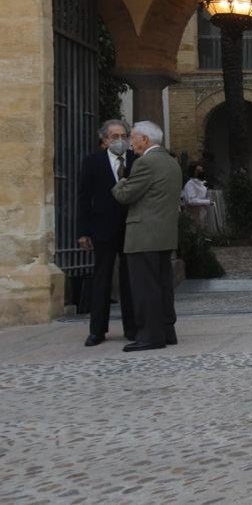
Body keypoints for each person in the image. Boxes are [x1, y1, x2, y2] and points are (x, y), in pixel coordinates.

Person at [111, 120, 181, 353]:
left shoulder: (145, 163)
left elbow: (126, 195)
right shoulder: (171, 162)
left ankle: (150, 335)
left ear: (145, 139)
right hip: (164, 234)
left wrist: (119, 182)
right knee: (162, 285)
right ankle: (166, 330)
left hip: (143, 235)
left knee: (145, 288)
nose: (130, 144)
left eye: (133, 138)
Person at [77, 119, 137, 346]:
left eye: (123, 136)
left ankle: (131, 327)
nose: (119, 140)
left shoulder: (136, 160)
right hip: (102, 227)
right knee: (101, 278)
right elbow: (83, 198)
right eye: (114, 137)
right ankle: (97, 330)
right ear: (104, 140)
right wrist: (83, 231)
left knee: (129, 278)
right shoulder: (93, 162)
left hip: (131, 226)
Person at [180, 162, 213, 228]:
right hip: (193, 216)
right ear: (193, 172)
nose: (201, 172)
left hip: (202, 216)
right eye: (198, 171)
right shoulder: (190, 184)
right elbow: (191, 200)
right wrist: (207, 202)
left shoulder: (202, 183)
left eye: (202, 170)